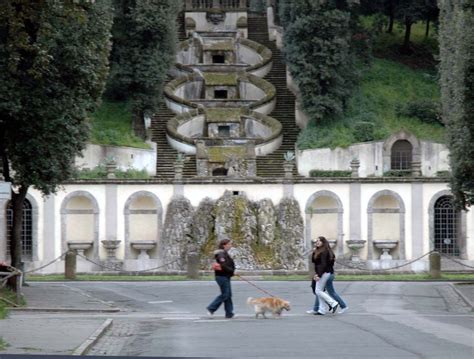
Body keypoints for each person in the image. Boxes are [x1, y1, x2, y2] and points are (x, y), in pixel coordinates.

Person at [308, 236, 339, 315]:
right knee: (319, 291)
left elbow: (323, 265)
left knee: (318, 291)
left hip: (324, 272)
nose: (317, 242)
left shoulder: (324, 251)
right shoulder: (320, 251)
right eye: (316, 241)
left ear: (323, 242)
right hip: (324, 272)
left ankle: (333, 303)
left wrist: (318, 275)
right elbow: (314, 261)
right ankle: (321, 310)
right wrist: (314, 252)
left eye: (319, 241)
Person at [206, 239, 236, 319]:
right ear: (224, 245)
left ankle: (229, 313)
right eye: (229, 244)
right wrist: (231, 270)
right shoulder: (221, 254)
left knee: (228, 294)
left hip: (226, 276)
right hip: (221, 276)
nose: (230, 246)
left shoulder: (224, 253)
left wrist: (231, 271)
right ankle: (211, 308)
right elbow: (223, 265)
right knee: (225, 294)